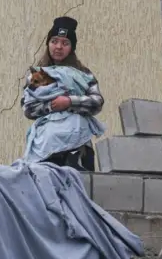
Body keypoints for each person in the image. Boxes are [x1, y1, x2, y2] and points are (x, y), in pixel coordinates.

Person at [20, 16, 104, 171]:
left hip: (78, 147)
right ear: (48, 44)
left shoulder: (83, 74)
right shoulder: (35, 75)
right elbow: (28, 108)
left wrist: (69, 102)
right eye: (54, 41)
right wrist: (52, 106)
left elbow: (97, 102)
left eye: (65, 43)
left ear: (72, 47)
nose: (58, 47)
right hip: (46, 145)